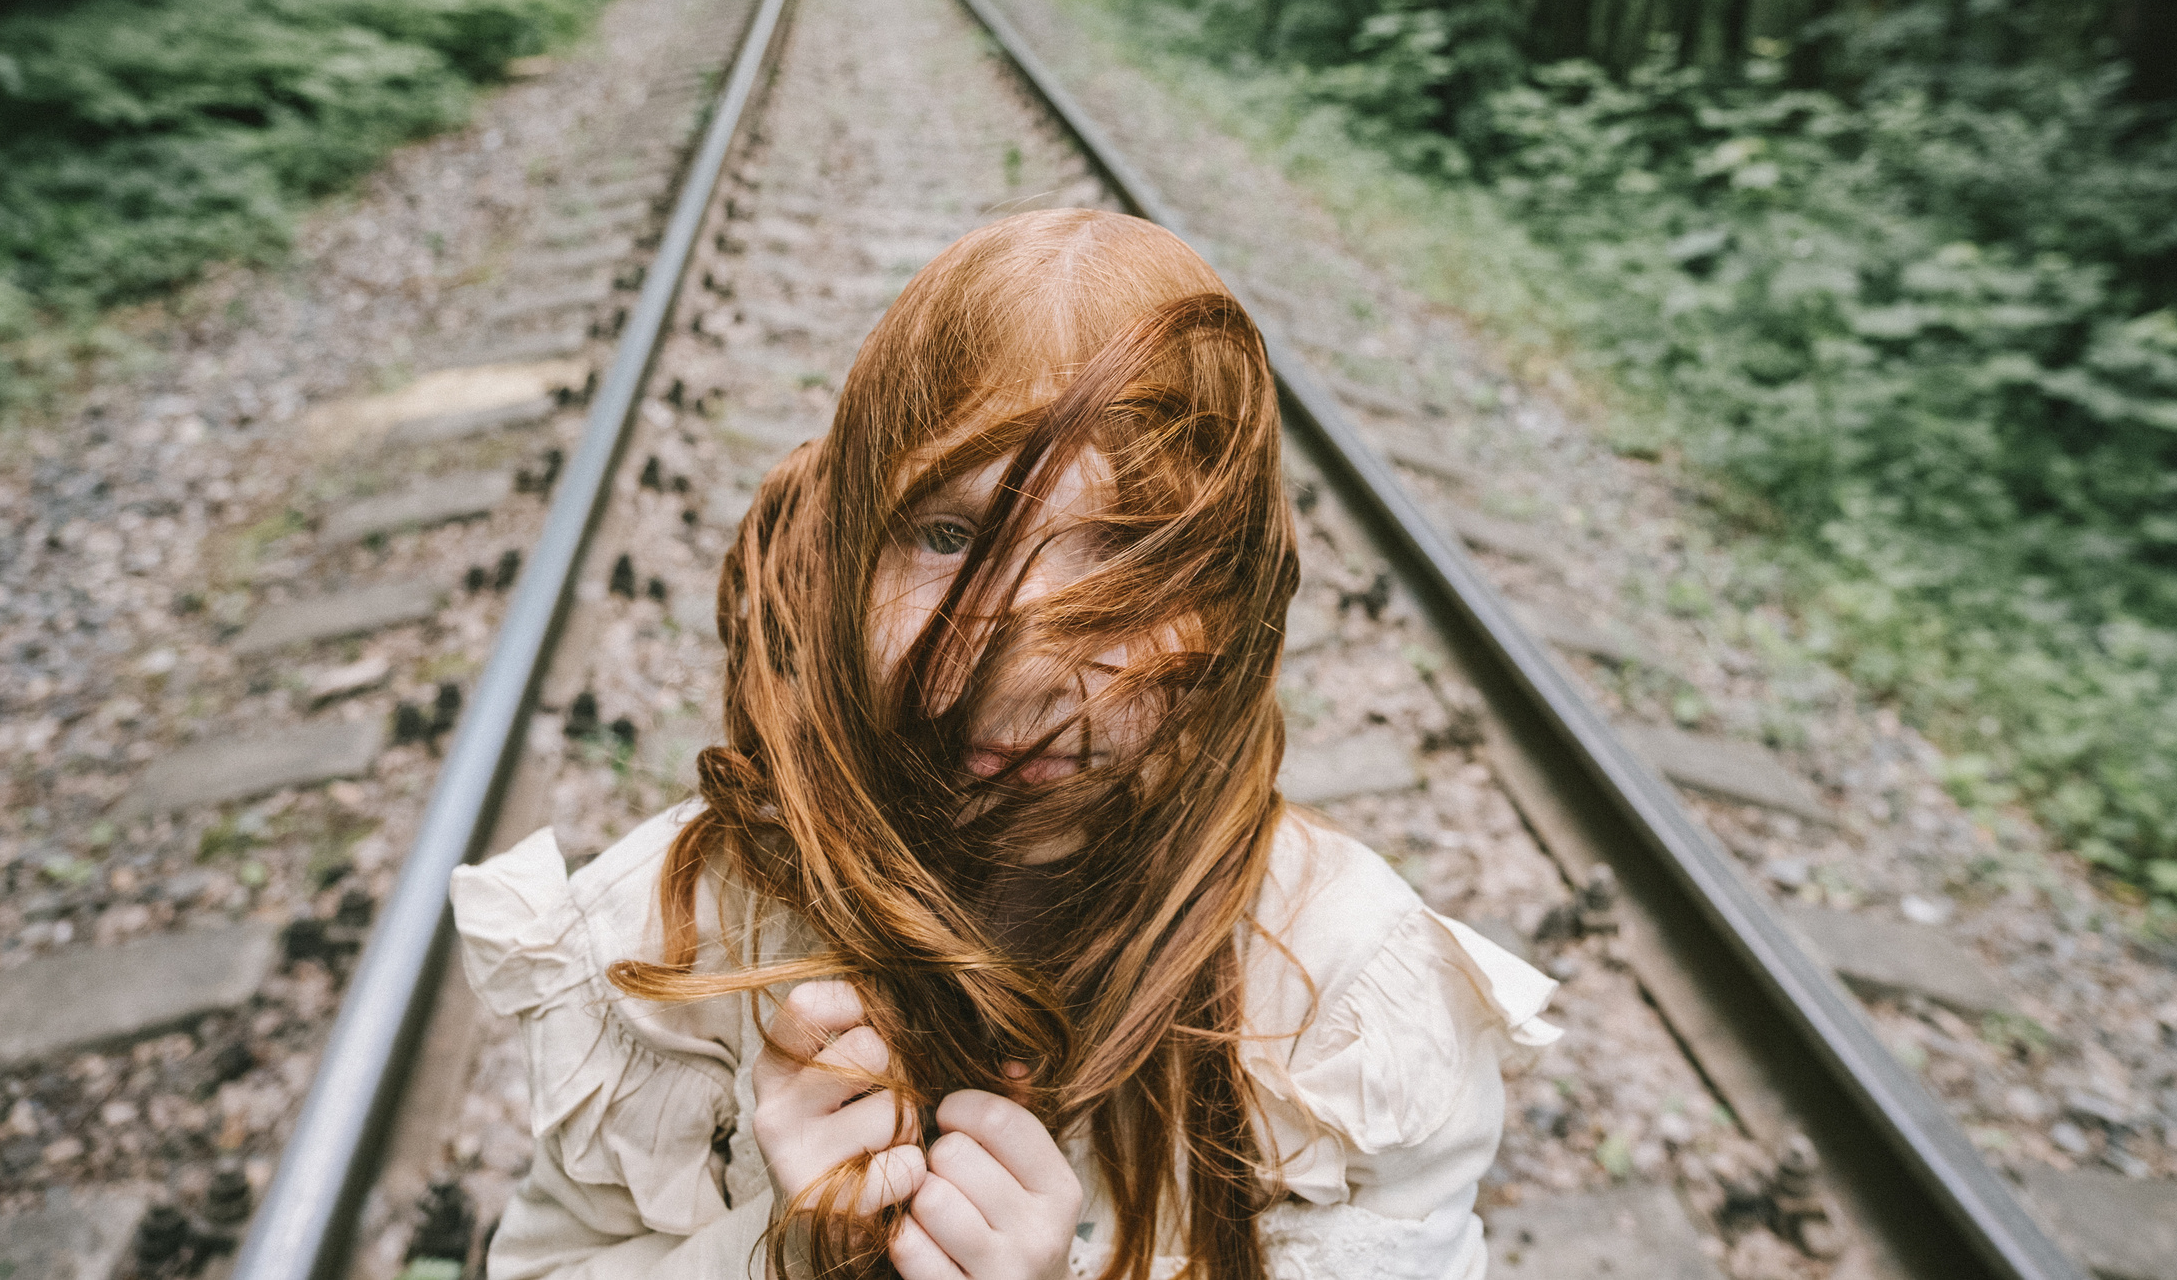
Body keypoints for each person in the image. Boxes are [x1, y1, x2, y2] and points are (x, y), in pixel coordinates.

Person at [450, 208, 1559, 1280]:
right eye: (950, 535)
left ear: (1236, 601)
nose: (1024, 671)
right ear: (848, 553)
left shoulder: (1340, 996)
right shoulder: (675, 940)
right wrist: (782, 1254)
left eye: (1131, 554)